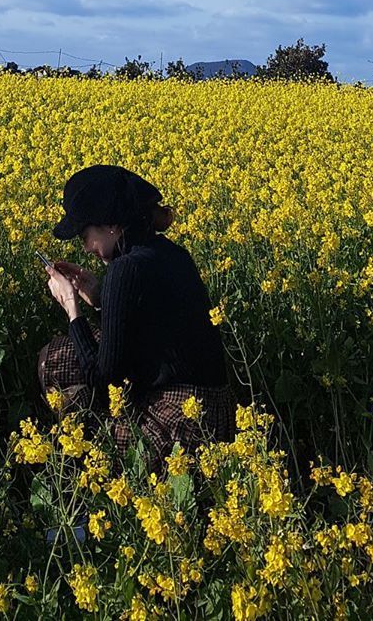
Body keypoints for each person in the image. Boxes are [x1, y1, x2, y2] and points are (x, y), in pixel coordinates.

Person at [37, 163, 234, 473]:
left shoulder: (125, 269)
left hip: (180, 427)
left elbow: (103, 382)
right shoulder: (172, 253)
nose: (85, 247)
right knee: (67, 352)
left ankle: (94, 487)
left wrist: (71, 306)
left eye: (85, 235)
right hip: (214, 415)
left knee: (56, 363)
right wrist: (102, 301)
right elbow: (153, 328)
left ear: (111, 225)